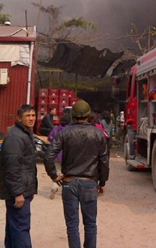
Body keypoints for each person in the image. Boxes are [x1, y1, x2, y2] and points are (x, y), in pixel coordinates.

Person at [45, 100, 109, 248]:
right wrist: (102, 182)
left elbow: (48, 156)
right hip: (89, 182)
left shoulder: (64, 133)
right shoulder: (98, 134)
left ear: (72, 115)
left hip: (69, 182)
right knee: (90, 224)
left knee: (72, 226)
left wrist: (54, 176)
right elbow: (104, 162)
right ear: (89, 115)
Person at [0, 104, 38, 248]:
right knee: (21, 227)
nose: (31, 118)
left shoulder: (25, 134)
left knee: (14, 227)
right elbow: (12, 167)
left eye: (33, 115)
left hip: (23, 188)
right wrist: (18, 193)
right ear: (19, 118)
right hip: (18, 191)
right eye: (28, 116)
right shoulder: (16, 137)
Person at [47, 112, 72, 199]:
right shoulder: (70, 130)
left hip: (57, 154)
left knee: (57, 173)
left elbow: (50, 138)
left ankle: (54, 187)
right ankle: (65, 190)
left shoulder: (55, 128)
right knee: (66, 173)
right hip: (67, 155)